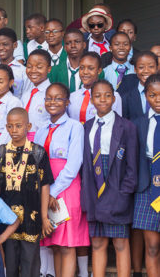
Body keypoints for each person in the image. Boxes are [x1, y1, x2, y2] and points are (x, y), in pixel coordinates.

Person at [80, 79, 137, 277]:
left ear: (114, 98)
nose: (102, 99)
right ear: (91, 98)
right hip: (95, 190)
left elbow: (132, 166)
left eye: (107, 95)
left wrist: (124, 193)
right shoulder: (86, 127)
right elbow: (85, 165)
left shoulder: (126, 127)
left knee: (121, 243)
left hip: (117, 189)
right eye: (97, 96)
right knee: (97, 242)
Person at [35, 83, 89, 277]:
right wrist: (44, 193)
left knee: (67, 245)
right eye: (49, 98)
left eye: (58, 98)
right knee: (55, 244)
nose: (52, 102)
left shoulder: (75, 127)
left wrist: (53, 192)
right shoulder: (41, 130)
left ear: (67, 102)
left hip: (65, 190)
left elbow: (74, 164)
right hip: (46, 190)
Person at [0, 107, 54, 277]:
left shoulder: (38, 153)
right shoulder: (0, 152)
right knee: (9, 265)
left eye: (19, 126)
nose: (14, 130)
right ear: (6, 127)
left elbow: (45, 186)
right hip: (6, 219)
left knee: (30, 265)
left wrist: (43, 217)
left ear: (28, 126)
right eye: (10, 126)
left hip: (31, 218)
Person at [132, 74, 160, 277]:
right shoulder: (138, 123)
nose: (157, 99)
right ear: (146, 96)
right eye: (152, 95)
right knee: (152, 245)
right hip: (146, 185)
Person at [68, 52, 122, 124]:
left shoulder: (113, 96)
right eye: (82, 68)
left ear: (99, 70)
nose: (85, 72)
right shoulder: (71, 97)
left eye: (91, 68)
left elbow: (117, 125)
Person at [21, 49, 52, 140]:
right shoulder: (26, 95)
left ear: (49, 69)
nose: (33, 70)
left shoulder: (52, 94)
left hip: (44, 140)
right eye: (29, 66)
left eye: (39, 67)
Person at [121, 51, 158, 122]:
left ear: (157, 68)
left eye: (151, 66)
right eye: (141, 67)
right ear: (135, 69)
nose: (146, 71)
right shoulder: (126, 98)